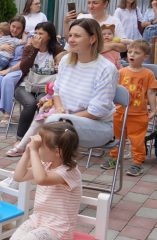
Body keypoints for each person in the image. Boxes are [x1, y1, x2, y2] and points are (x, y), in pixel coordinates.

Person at [8, 18, 119, 155]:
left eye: (77, 36)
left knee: (52, 125)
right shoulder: (66, 60)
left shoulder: (106, 69)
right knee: (46, 119)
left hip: (97, 127)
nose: (71, 39)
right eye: (70, 35)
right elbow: (57, 90)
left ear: (92, 39)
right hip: (65, 120)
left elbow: (97, 112)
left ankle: (31, 163)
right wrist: (59, 108)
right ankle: (28, 157)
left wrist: (61, 117)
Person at [0, 121, 82, 240]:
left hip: (58, 231)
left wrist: (33, 152)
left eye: (41, 147)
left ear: (57, 152)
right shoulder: (46, 165)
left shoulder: (70, 172)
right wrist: (27, 152)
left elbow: (41, 179)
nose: (37, 149)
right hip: (37, 221)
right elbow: (19, 176)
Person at [101, 39, 157, 177]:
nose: (132, 54)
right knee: (118, 137)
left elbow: (150, 92)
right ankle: (115, 158)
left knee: (137, 139)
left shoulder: (148, 74)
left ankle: (137, 162)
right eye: (130, 51)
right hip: (120, 112)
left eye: (137, 53)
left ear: (145, 57)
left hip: (138, 114)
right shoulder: (121, 72)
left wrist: (154, 110)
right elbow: (114, 91)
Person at [7, 22, 63, 157]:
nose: (37, 36)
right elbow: (24, 68)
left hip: (47, 89)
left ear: (49, 36)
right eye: (36, 33)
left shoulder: (57, 50)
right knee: (30, 104)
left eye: (41, 33)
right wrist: (35, 49)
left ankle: (41, 141)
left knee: (44, 104)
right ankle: (20, 139)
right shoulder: (29, 48)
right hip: (25, 86)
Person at [65, 0, 130, 55]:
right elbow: (69, 41)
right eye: (89, 3)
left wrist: (110, 45)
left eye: (95, 3)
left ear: (105, 3)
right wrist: (66, 22)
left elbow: (124, 47)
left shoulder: (114, 21)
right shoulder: (82, 18)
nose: (91, 6)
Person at [0, 16, 27, 128]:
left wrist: (9, 70)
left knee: (7, 79)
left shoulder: (26, 40)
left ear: (23, 29)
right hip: (5, 69)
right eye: (13, 26)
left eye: (19, 28)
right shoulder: (4, 38)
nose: (15, 30)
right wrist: (2, 47)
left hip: (19, 69)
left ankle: (7, 114)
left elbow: (27, 61)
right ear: (9, 25)